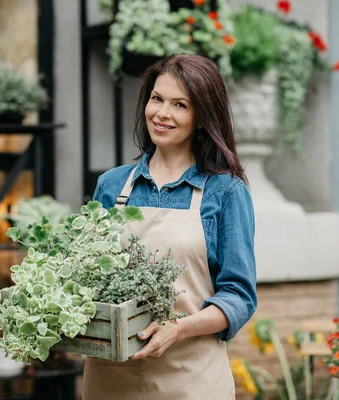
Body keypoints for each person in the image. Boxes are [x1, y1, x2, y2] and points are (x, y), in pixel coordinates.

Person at [82, 54, 257, 399]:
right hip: (111, 378)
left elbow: (239, 296)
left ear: (203, 117)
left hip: (190, 378)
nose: (162, 113)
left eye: (180, 105)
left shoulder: (225, 192)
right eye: (157, 99)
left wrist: (178, 329)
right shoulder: (111, 185)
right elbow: (87, 275)